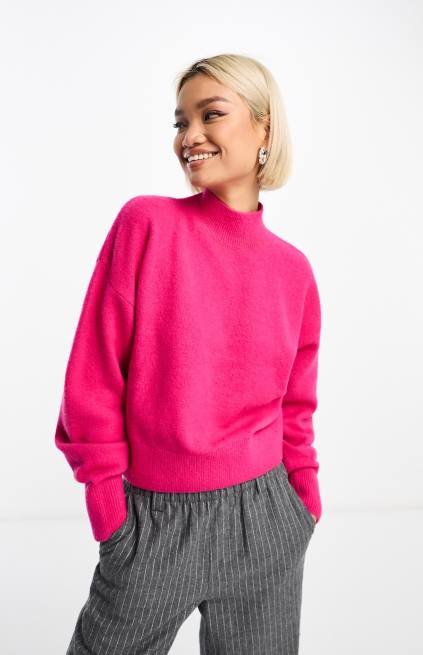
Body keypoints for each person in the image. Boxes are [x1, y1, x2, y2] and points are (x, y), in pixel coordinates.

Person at [55, 52, 322, 654]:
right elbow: (93, 377)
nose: (189, 136)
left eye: (211, 114)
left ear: (264, 128)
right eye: (181, 122)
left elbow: (296, 405)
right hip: (154, 524)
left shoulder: (294, 271)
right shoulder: (147, 224)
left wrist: (303, 499)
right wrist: (111, 512)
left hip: (267, 518)